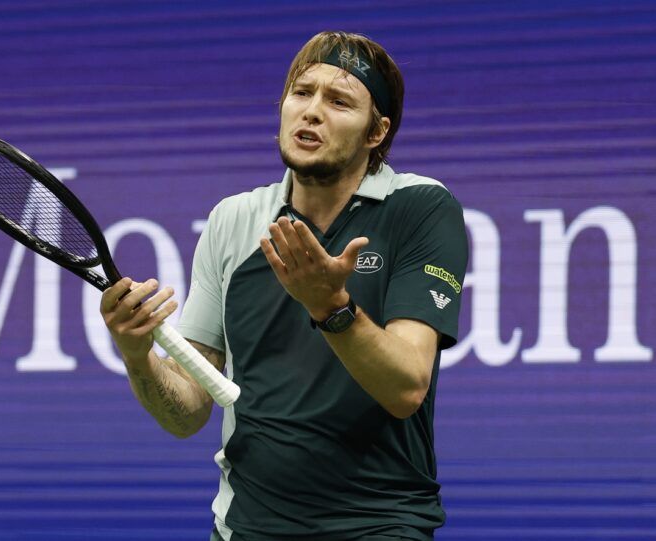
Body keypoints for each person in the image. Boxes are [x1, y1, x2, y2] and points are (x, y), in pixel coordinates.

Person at [101, 31, 468, 541]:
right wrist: (137, 355)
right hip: (245, 527)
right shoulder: (233, 220)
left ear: (376, 132)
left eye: (339, 101)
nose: (312, 112)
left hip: (380, 524)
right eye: (302, 93)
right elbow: (187, 412)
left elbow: (406, 388)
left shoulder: (420, 207)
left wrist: (331, 307)